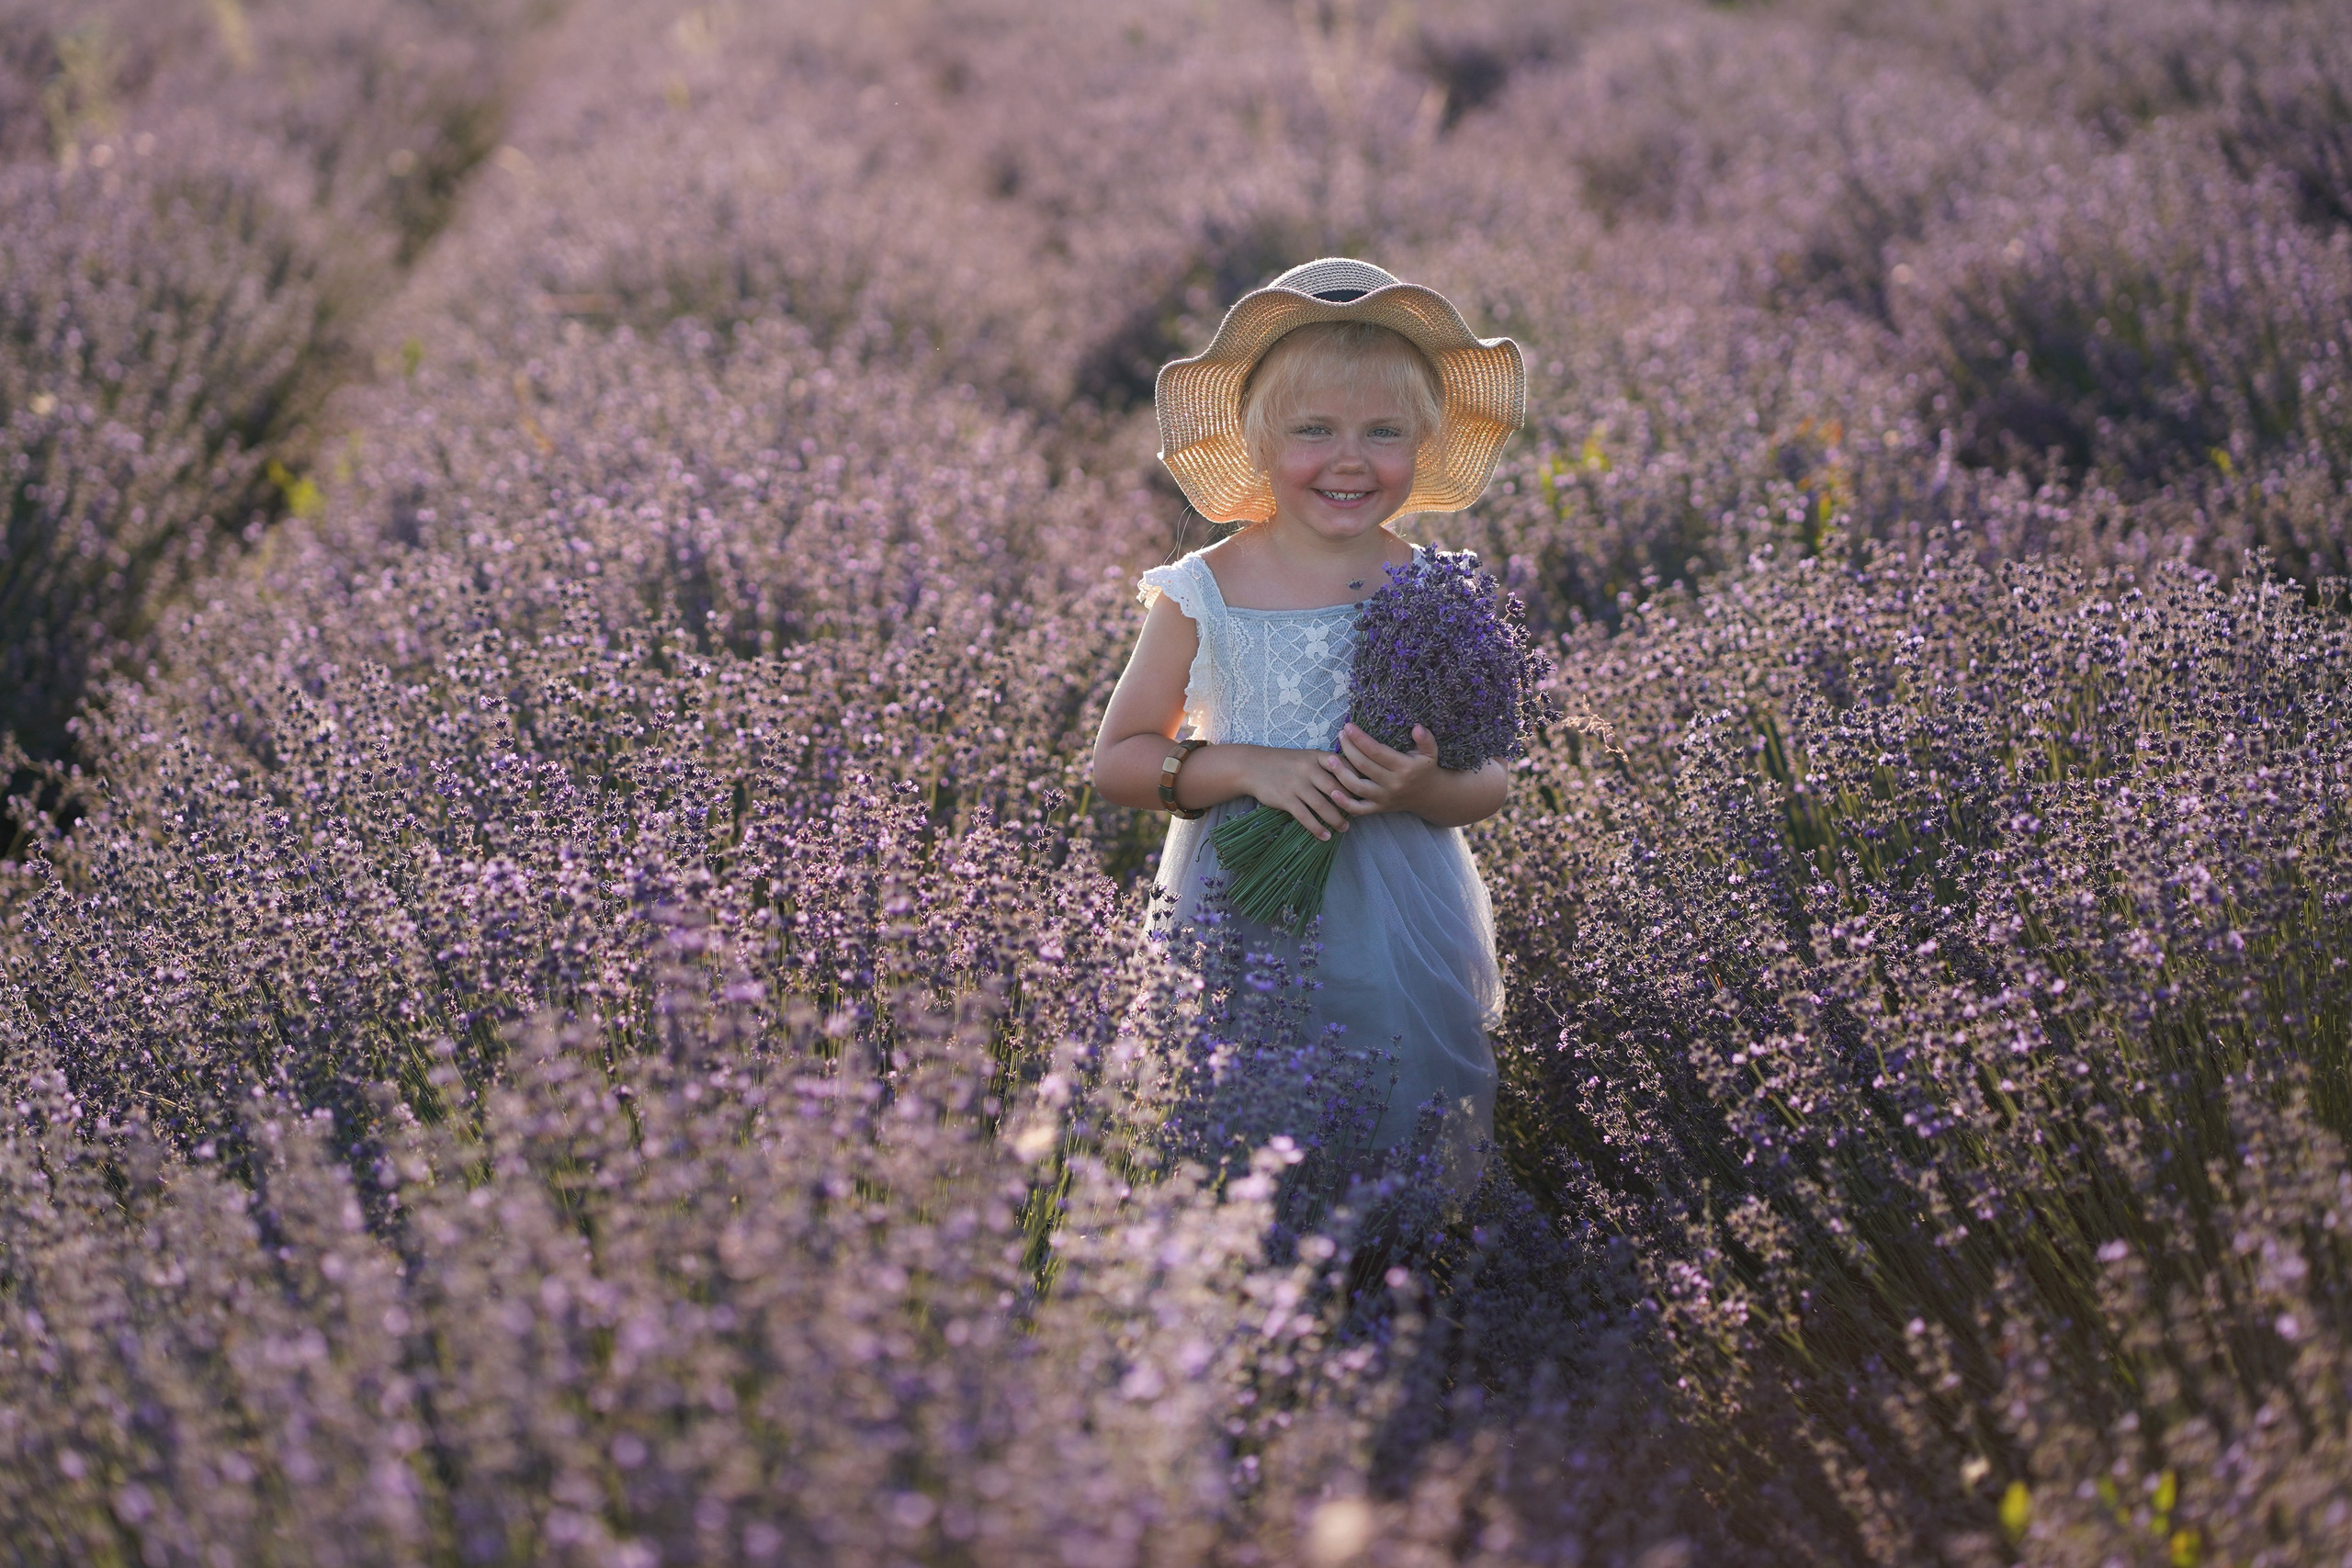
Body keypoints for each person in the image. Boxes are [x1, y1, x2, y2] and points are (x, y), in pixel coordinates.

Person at [1089, 256, 1526, 1192]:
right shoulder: (1206, 589)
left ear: (1423, 446)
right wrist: (1245, 767)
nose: (1350, 459)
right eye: (1312, 430)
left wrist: (1424, 788)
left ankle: (1396, 1273)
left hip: (1399, 901)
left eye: (1384, 432)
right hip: (1239, 908)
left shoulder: (1436, 588)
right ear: (1254, 443)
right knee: (1234, 1101)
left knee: (1401, 1095)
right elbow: (1119, 762)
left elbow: (1489, 780)